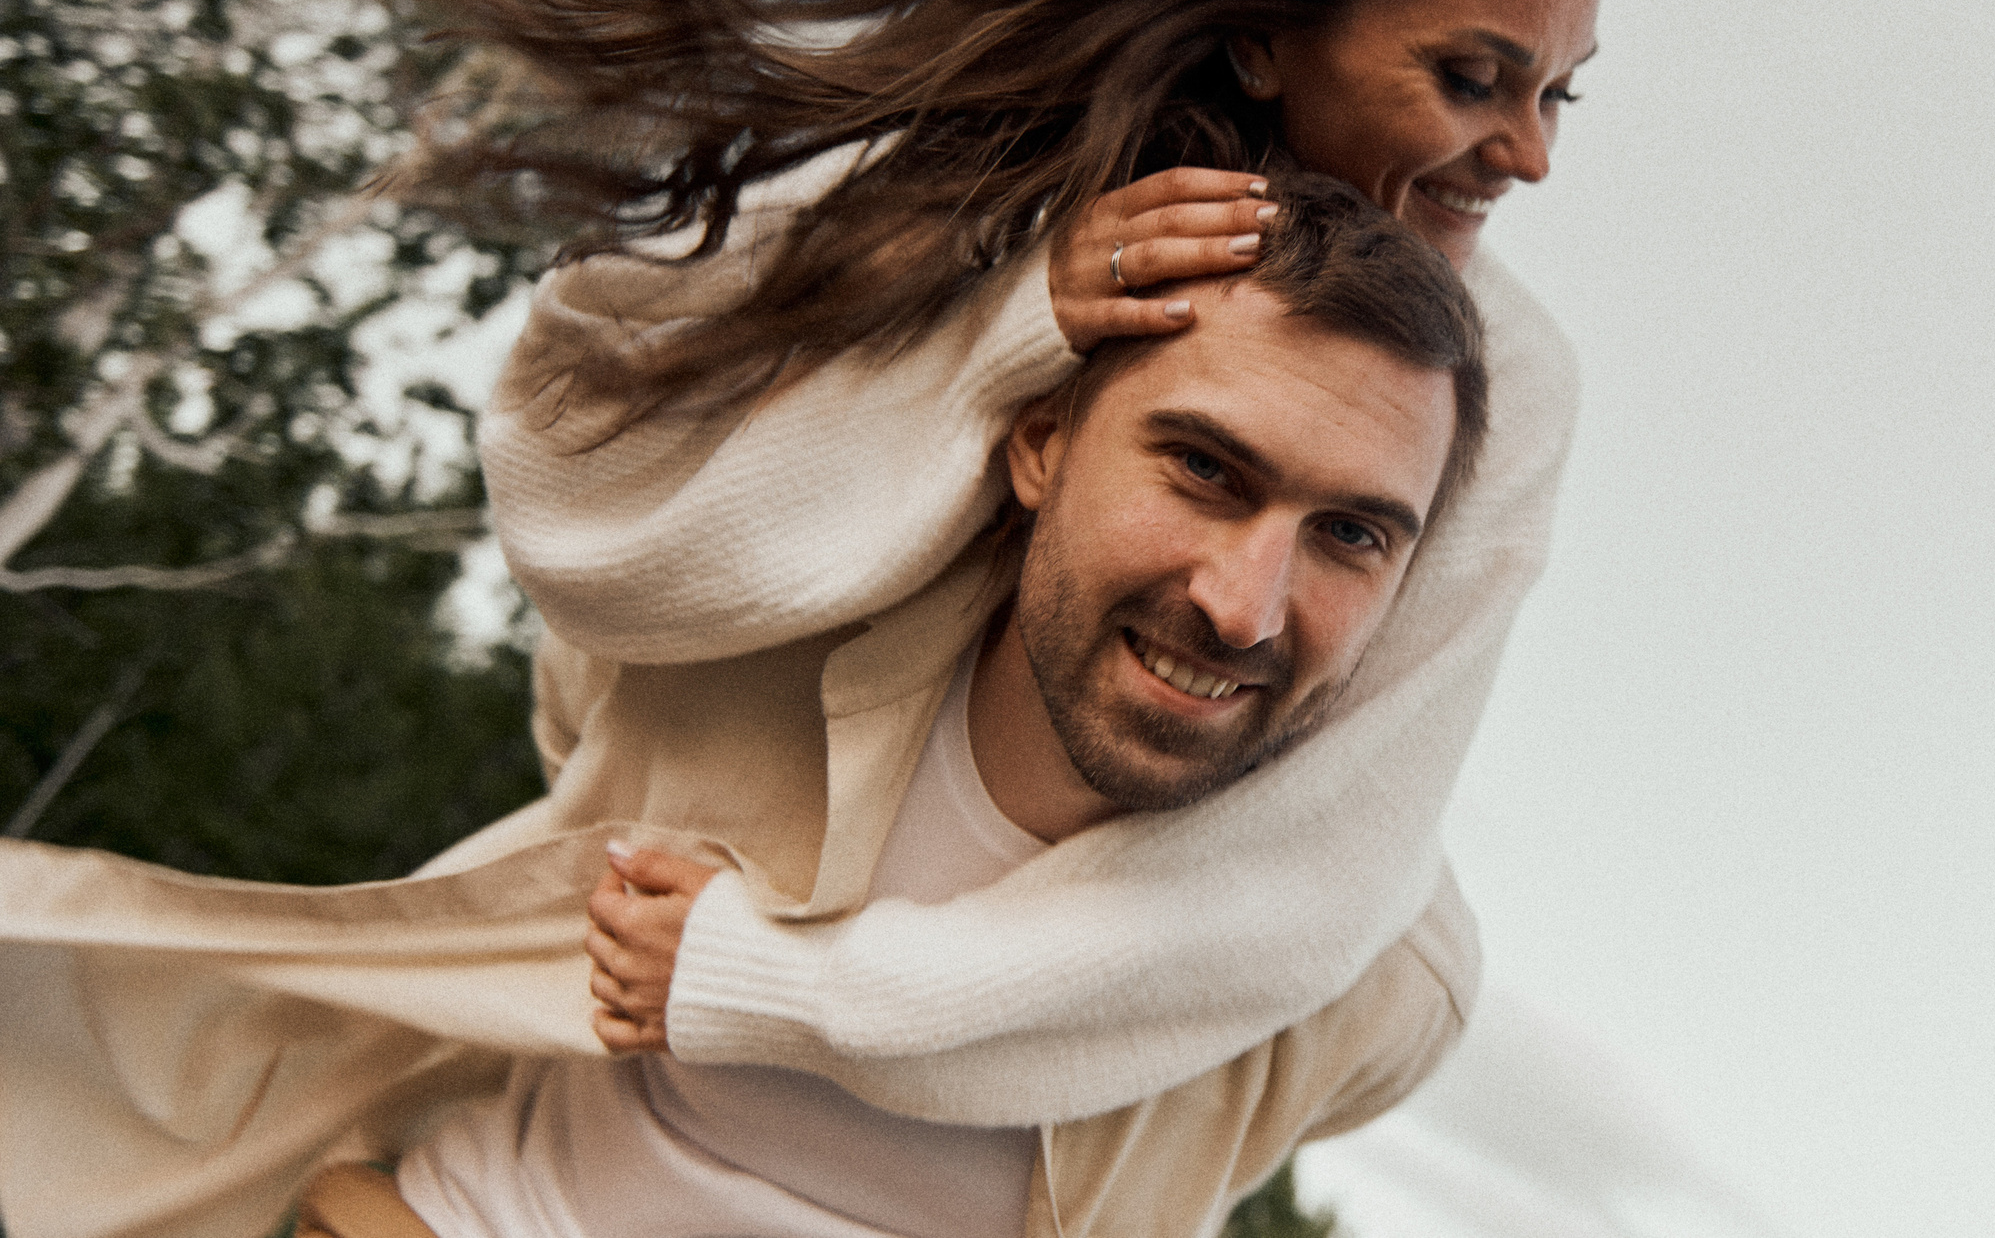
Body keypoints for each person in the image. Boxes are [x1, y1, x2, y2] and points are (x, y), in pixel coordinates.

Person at [0, 0, 1610, 1238]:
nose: (1529, 153)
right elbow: (585, 510)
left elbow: (1306, 891)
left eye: (1562, 94)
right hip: (512, 1154)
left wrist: (785, 988)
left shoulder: (1498, 393)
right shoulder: (987, 199)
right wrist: (999, 326)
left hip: (967, 1032)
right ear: (1271, 36)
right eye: (1471, 76)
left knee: (1418, 949)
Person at [289, 173, 1485, 1238]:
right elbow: (602, 338)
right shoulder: (758, 632)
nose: (1245, 607)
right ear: (1040, 442)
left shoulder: (1383, 984)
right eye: (1204, 469)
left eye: (1350, 533)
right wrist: (1004, 297)